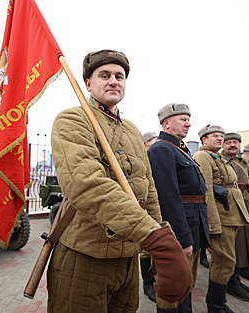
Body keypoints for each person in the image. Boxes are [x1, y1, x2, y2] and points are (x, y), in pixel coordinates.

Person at [48, 49, 192, 313]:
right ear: (89, 84)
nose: (114, 81)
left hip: (128, 256)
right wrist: (153, 238)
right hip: (86, 255)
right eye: (104, 75)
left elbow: (150, 190)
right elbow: (86, 184)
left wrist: (161, 239)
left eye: (119, 76)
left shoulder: (132, 130)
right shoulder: (72, 119)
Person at [148, 103, 210, 313]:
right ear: (167, 123)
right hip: (179, 230)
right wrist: (182, 238)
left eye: (188, 119)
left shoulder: (178, 149)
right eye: (183, 119)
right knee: (172, 288)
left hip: (192, 224)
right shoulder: (161, 149)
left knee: (187, 283)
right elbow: (168, 198)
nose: (188, 123)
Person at [193, 125, 249, 313]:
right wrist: (213, 223)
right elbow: (206, 191)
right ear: (204, 140)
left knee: (227, 261)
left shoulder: (218, 157)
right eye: (215, 136)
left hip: (230, 216)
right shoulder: (202, 157)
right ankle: (215, 306)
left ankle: (219, 302)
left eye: (221, 136)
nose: (220, 138)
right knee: (223, 262)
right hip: (221, 218)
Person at [221, 134, 249, 303]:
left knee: (246, 243)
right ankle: (232, 283)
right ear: (223, 145)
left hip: (246, 206)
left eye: (236, 142)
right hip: (231, 208)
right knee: (234, 246)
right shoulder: (219, 160)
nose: (233, 145)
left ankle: (240, 276)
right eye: (229, 142)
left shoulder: (242, 162)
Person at [140, 131, 159, 303]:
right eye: (155, 141)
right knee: (146, 250)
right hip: (145, 206)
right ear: (147, 143)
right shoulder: (146, 158)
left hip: (158, 205)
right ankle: (148, 283)